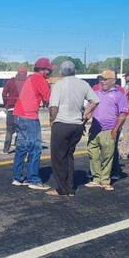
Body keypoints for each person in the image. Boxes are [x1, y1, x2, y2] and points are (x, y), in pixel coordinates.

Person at [47, 61, 100, 197]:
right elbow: (95, 101)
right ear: (74, 71)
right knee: (69, 156)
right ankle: (70, 188)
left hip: (62, 124)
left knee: (58, 158)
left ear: (62, 71)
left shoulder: (59, 85)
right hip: (76, 125)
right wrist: (85, 115)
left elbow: (53, 106)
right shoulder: (83, 84)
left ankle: (61, 189)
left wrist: (52, 121)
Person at [12, 58, 55, 190]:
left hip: (18, 115)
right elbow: (50, 100)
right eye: (49, 70)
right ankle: (34, 180)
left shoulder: (30, 78)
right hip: (29, 117)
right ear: (44, 70)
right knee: (35, 148)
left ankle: (17, 178)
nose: (50, 73)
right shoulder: (40, 80)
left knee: (21, 147)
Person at [85, 69, 129, 192]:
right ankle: (96, 178)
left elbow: (123, 114)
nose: (102, 82)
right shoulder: (96, 93)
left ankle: (105, 180)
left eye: (105, 79)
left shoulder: (119, 95)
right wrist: (83, 122)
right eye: (101, 79)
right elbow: (90, 109)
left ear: (113, 81)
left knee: (107, 156)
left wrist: (115, 130)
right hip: (95, 129)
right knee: (92, 153)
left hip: (109, 130)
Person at [1, 67, 27, 154]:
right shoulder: (27, 82)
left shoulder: (11, 81)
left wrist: (6, 104)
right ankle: (19, 148)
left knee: (9, 130)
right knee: (21, 130)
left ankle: (6, 150)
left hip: (11, 109)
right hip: (23, 110)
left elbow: (4, 94)